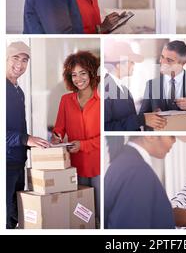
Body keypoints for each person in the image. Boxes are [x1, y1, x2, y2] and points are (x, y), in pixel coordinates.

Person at [51, 51, 100, 226]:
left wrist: (84, 145)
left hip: (98, 164)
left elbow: (106, 137)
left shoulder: (102, 99)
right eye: (74, 75)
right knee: (82, 213)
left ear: (92, 73)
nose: (78, 79)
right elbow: (59, 129)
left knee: (100, 211)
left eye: (83, 73)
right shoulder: (65, 100)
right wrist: (56, 138)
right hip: (75, 166)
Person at [6, 42, 49, 229]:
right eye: (15, 58)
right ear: (5, 58)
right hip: (5, 164)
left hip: (18, 162)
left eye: (24, 60)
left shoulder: (18, 91)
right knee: (5, 217)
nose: (20, 64)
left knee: (15, 215)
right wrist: (25, 139)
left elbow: (16, 128)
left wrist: (33, 141)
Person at [104, 136, 176, 229]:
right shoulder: (138, 171)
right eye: (172, 136)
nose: (174, 140)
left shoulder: (126, 161)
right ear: (149, 136)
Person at [104, 41, 167, 131]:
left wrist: (149, 118)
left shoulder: (124, 89)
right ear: (119, 65)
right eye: (131, 62)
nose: (134, 64)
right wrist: (142, 119)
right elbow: (106, 128)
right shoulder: (105, 89)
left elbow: (128, 119)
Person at [139, 40, 186, 129]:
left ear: (183, 63)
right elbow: (142, 117)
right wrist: (151, 117)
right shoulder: (151, 84)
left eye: (169, 60)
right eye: (162, 57)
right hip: (158, 135)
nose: (162, 62)